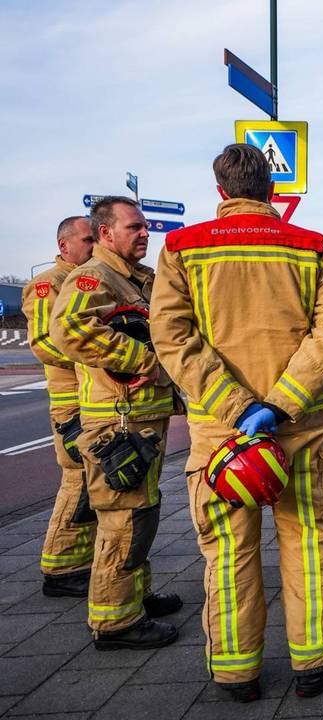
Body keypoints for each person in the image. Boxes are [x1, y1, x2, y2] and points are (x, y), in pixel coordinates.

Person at [150, 144, 323, 701]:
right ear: (272, 189)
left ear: (221, 192)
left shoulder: (182, 249)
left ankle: (237, 672)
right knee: (308, 541)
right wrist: (281, 401)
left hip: (222, 438)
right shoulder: (312, 249)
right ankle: (316, 659)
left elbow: (172, 337)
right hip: (303, 428)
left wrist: (235, 407)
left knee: (229, 551)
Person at [50, 196, 182, 649]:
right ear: (105, 233)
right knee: (123, 518)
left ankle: (134, 597)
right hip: (118, 421)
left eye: (145, 227)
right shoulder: (95, 276)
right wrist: (146, 359)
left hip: (142, 416)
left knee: (141, 511)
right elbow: (69, 328)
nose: (144, 233)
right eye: (134, 227)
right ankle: (116, 623)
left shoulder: (135, 278)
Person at [25, 216, 95, 597]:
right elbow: (43, 343)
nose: (92, 247)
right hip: (73, 405)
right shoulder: (47, 284)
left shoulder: (93, 277)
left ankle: (80, 561)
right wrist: (98, 356)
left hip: (95, 400)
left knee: (96, 485)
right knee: (78, 482)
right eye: (86, 240)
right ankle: (61, 566)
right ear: (64, 244)